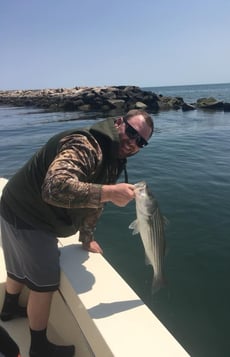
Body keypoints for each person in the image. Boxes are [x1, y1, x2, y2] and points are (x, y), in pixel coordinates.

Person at [0, 109, 154, 357]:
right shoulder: (85, 145)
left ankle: (8, 308)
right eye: (132, 132)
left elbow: (93, 203)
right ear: (118, 122)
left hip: (14, 203)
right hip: (29, 214)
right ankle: (39, 348)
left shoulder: (113, 157)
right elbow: (55, 187)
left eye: (141, 141)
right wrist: (108, 192)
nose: (133, 142)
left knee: (18, 262)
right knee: (44, 282)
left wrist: (87, 237)